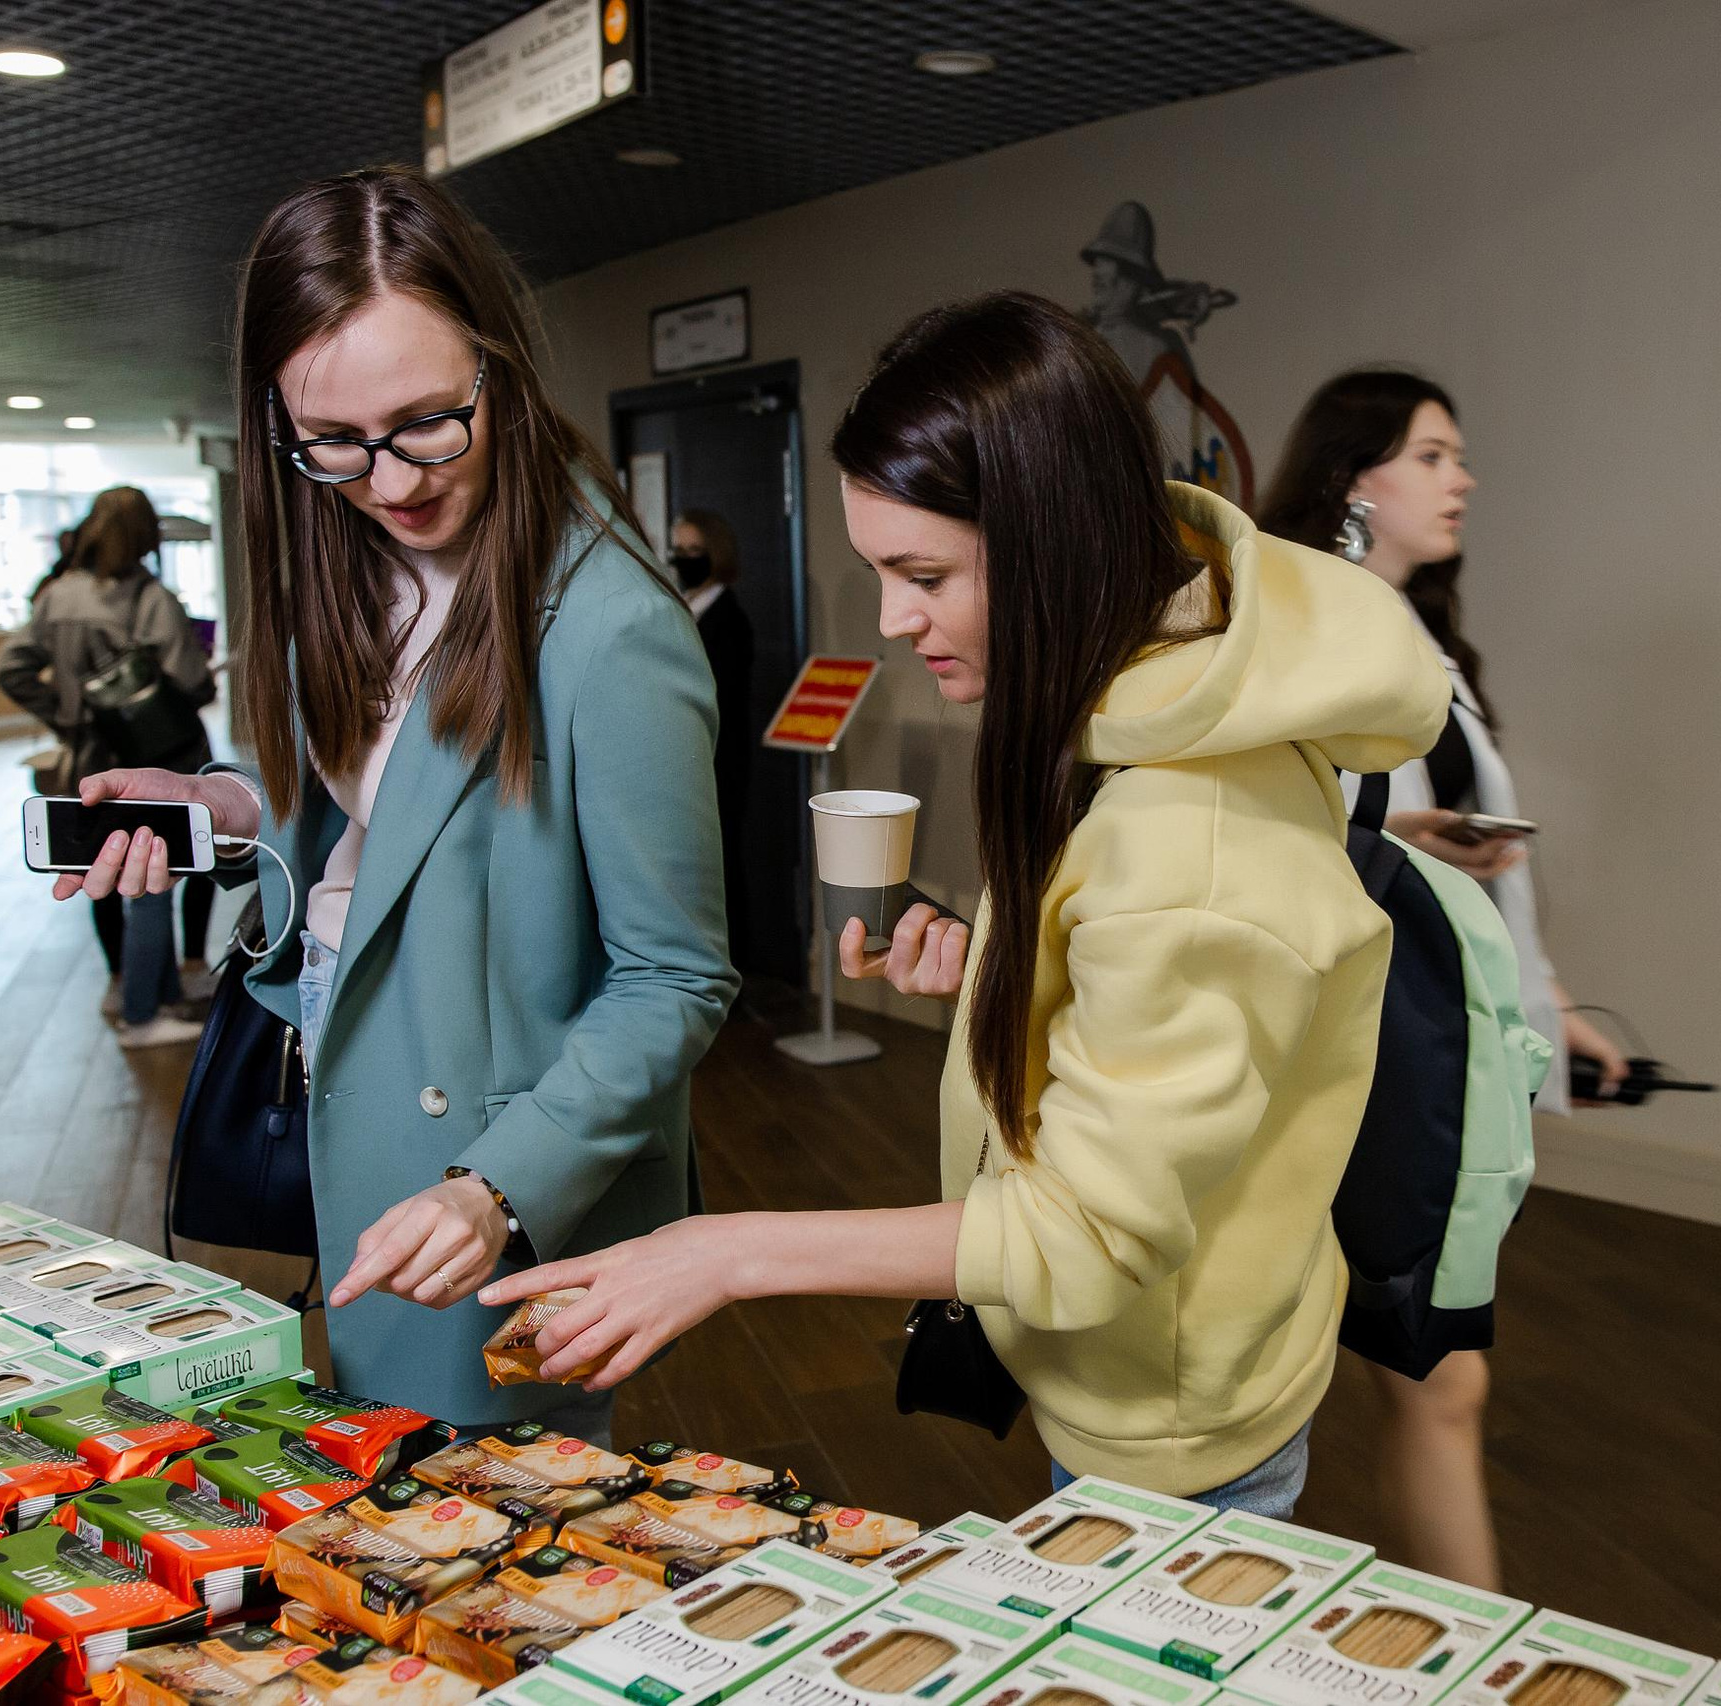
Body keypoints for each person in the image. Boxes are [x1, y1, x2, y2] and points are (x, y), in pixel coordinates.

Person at [483, 292, 1448, 1513]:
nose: (893, 619)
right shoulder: (1141, 698)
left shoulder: (1190, 839)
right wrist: (1004, 961)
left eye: (923, 573)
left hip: (1171, 1418)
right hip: (1130, 1360)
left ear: (1054, 540)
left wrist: (726, 1250)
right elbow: (1126, 977)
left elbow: (1089, 1231)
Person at [48, 167, 736, 1440]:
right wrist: (218, 802)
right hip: (350, 1071)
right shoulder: (342, 560)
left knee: (482, 1506)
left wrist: (497, 1187)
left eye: (427, 421)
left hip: (502, 1155)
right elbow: (375, 808)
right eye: (335, 440)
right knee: (386, 1474)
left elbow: (675, 976)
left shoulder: (611, 628)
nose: (391, 480)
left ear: (498, 369)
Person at [1254, 367, 1624, 1587]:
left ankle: (1434, 1637)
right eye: (1430, 454)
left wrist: (1549, 1001)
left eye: (1456, 455)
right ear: (1351, 477)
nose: (1461, 479)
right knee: (1432, 1374)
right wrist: (1390, 843)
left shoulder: (1422, 641)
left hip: (1431, 1037)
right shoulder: (1298, 622)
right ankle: (1462, 1646)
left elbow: (1488, 875)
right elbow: (1251, 832)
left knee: (1432, 1374)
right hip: (1358, 1048)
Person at [0, 486, 216, 1048]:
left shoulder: (57, 596)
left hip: (89, 760)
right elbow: (192, 683)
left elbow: (10, 668)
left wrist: (67, 716)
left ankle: (137, 987)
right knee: (153, 880)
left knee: (101, 869)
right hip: (157, 760)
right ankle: (142, 1013)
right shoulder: (151, 599)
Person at [670, 509, 755, 973]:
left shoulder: (728, 620)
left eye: (695, 551)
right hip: (685, 763)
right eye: (678, 550)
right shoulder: (682, 606)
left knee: (721, 869)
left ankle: (732, 972)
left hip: (719, 763)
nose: (684, 559)